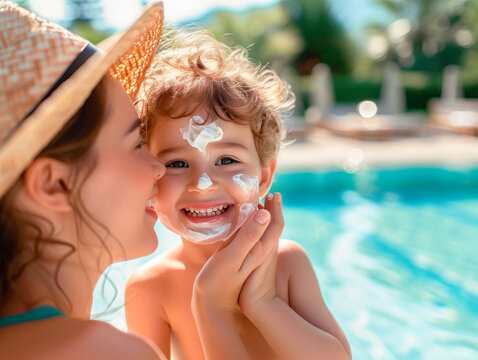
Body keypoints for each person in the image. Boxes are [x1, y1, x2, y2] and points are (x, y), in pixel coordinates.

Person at [0, 3, 278, 359]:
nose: (158, 169)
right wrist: (212, 307)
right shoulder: (105, 352)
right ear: (55, 184)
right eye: (136, 144)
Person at [125, 29, 352, 360]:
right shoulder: (150, 288)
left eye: (226, 160)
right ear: (149, 180)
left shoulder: (287, 265)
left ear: (264, 177)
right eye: (176, 163)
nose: (202, 183)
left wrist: (263, 303)